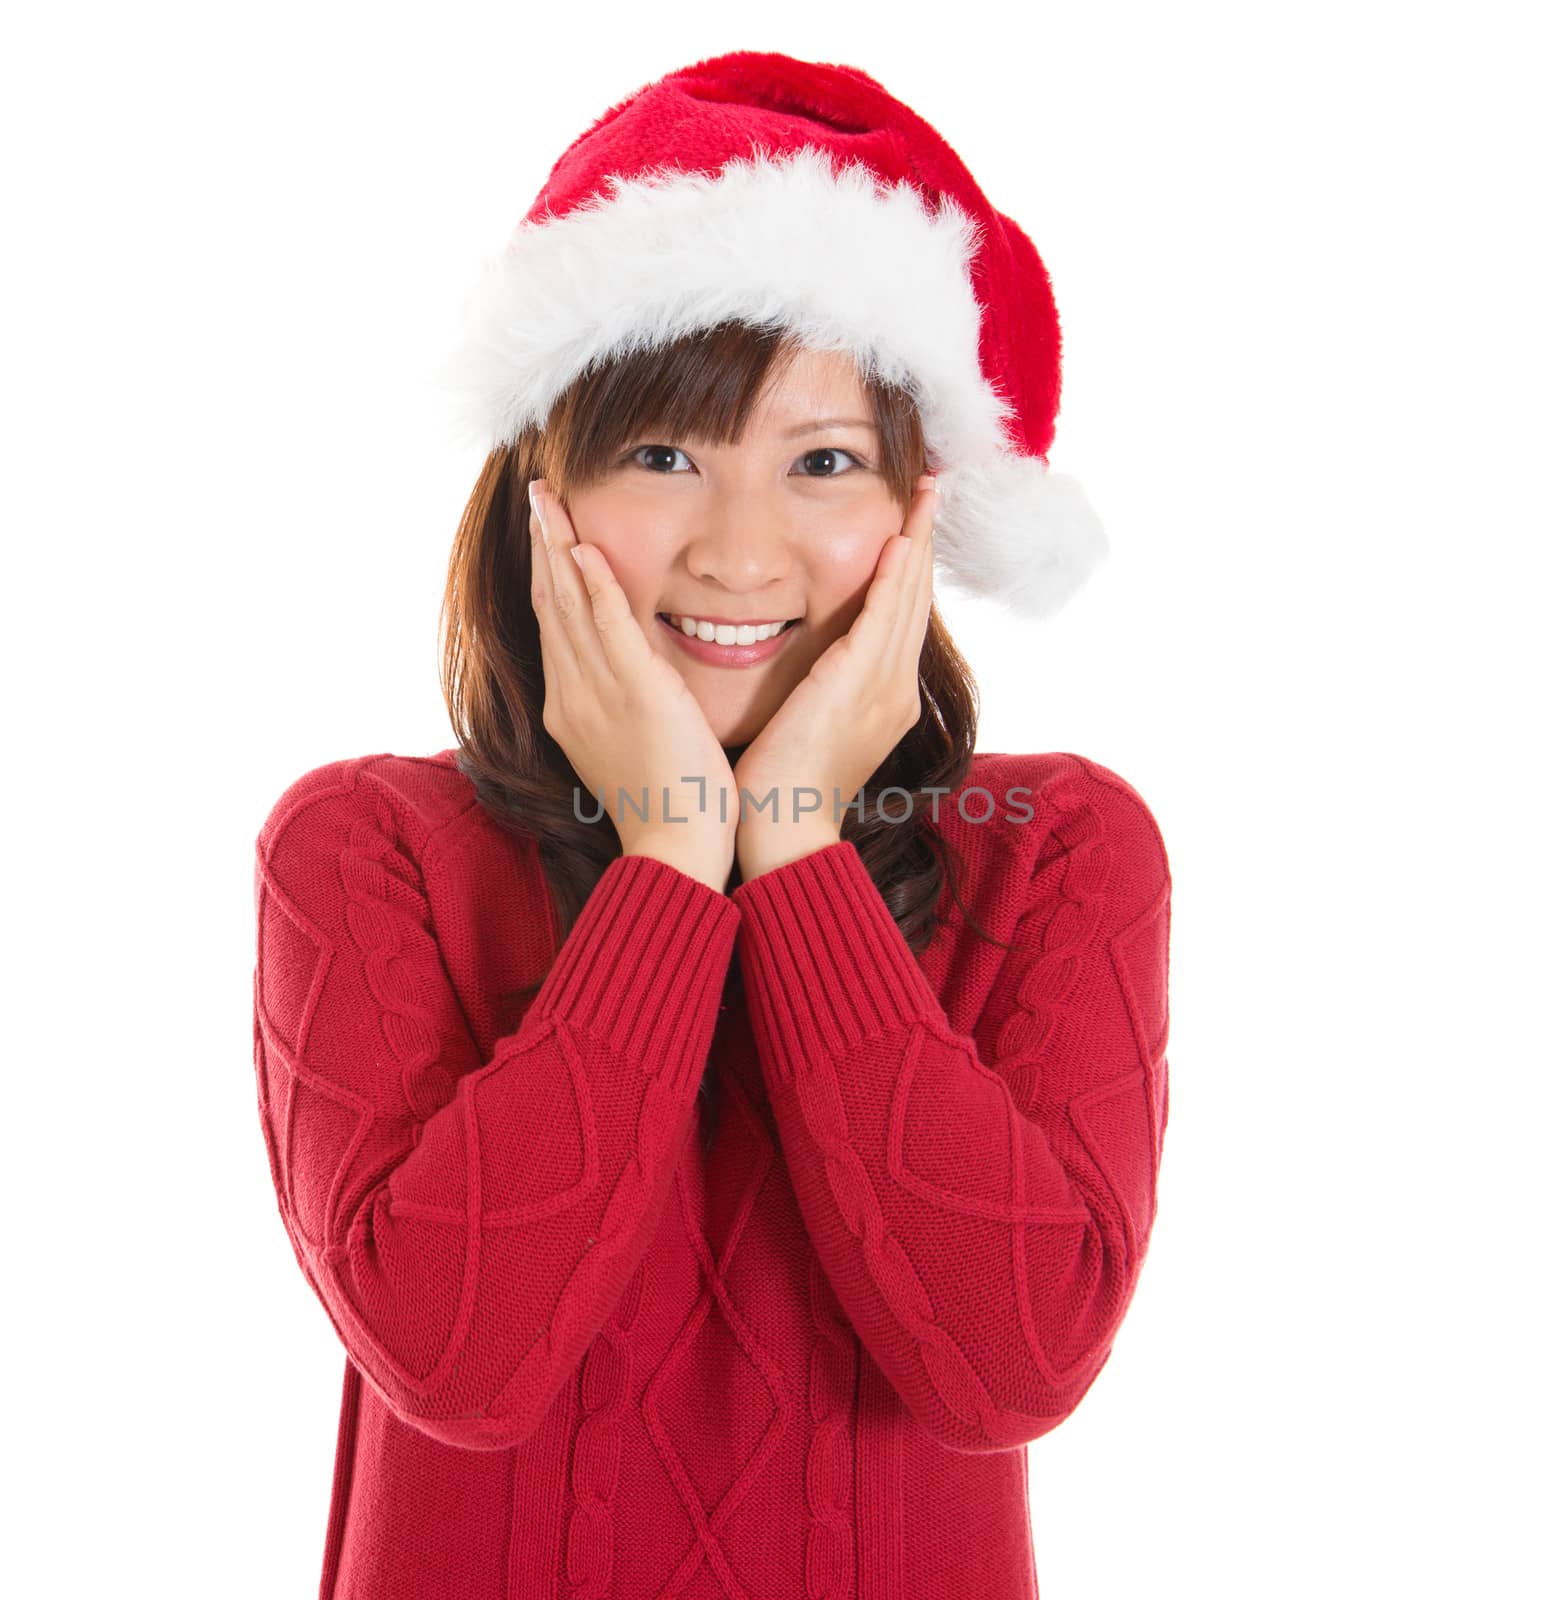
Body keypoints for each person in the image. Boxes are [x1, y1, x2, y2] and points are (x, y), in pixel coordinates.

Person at [251, 49, 1173, 1600]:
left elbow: (1014, 1365)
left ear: (914, 515)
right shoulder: (366, 852)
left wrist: (798, 850)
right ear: (541, 492)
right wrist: (677, 854)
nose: (741, 553)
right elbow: (459, 1360)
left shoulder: (1061, 851)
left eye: (823, 464)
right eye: (664, 454)